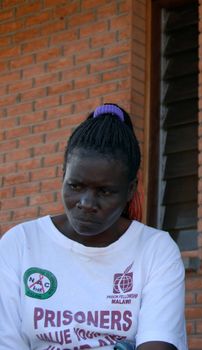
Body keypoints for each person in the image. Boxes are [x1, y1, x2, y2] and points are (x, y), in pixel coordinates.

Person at [0, 104, 188, 350]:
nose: (86, 203)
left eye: (105, 191)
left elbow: (158, 343)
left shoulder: (155, 250)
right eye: (76, 186)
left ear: (130, 190)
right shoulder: (21, 244)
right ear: (63, 175)